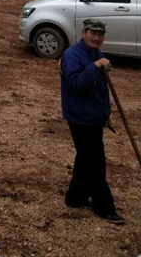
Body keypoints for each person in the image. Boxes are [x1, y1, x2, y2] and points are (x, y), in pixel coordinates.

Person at [60, 17, 125, 224]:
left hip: (94, 117)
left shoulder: (95, 53)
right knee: (95, 164)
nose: (96, 37)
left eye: (100, 34)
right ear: (83, 32)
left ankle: (75, 197)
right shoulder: (72, 56)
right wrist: (96, 66)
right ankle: (104, 207)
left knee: (84, 158)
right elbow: (76, 84)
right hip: (81, 118)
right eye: (93, 33)